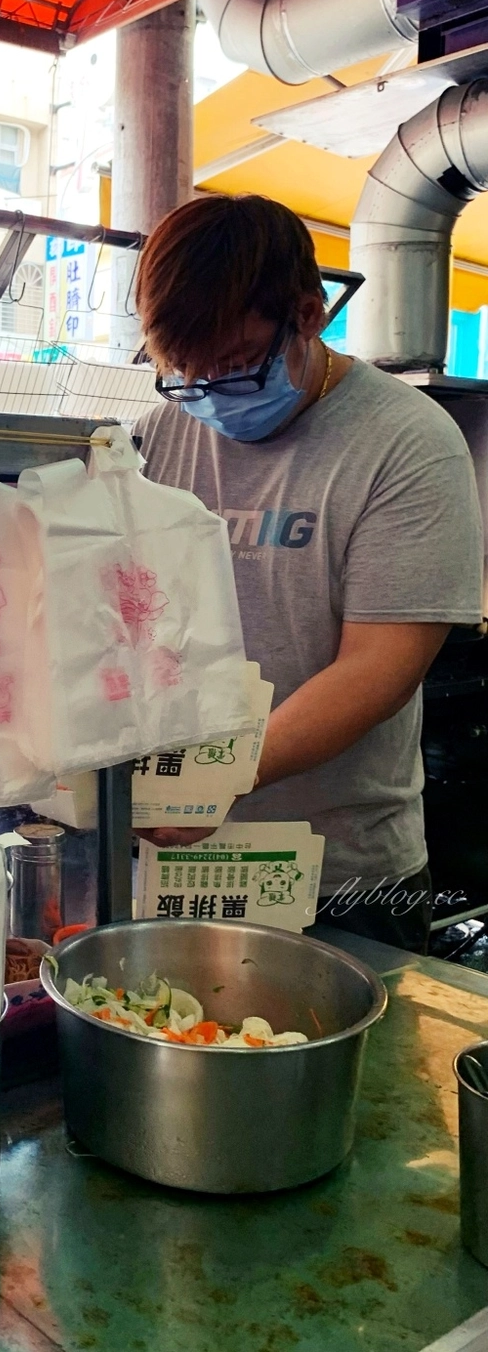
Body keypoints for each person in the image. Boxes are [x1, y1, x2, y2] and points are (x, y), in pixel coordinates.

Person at [133, 193, 484, 953]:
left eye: (231, 369)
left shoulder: (407, 443)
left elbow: (377, 668)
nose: (209, 401)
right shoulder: (163, 430)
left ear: (309, 312)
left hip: (342, 874)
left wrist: (218, 778)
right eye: (184, 377)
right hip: (172, 861)